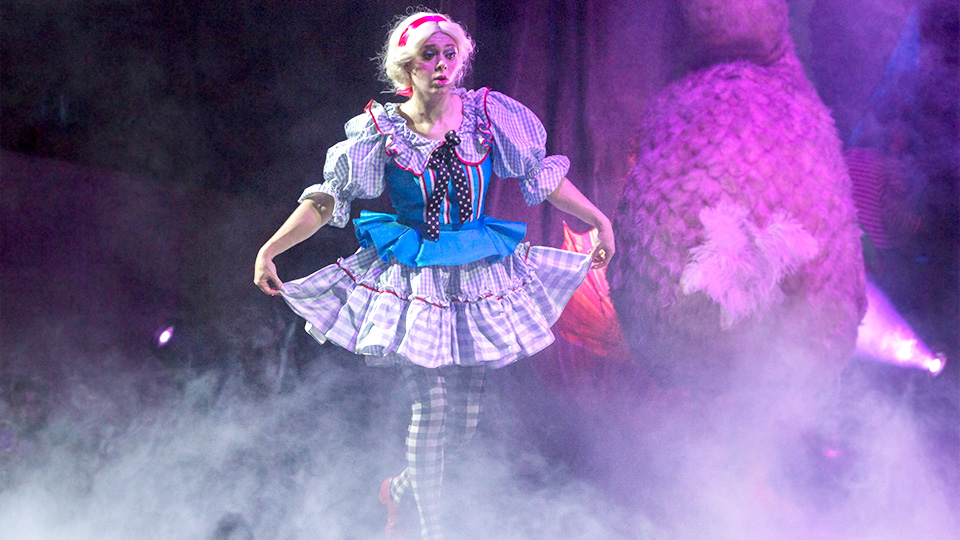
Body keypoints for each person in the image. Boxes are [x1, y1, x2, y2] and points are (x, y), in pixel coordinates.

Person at [253, 11, 614, 540]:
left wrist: (598, 219)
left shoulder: (486, 115)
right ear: (408, 65)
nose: (441, 65)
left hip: (475, 272)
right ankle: (433, 531)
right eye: (429, 55)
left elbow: (540, 176)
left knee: (462, 425)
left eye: (449, 54)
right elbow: (332, 196)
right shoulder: (382, 129)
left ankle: (398, 491)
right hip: (414, 276)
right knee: (433, 404)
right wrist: (271, 247)